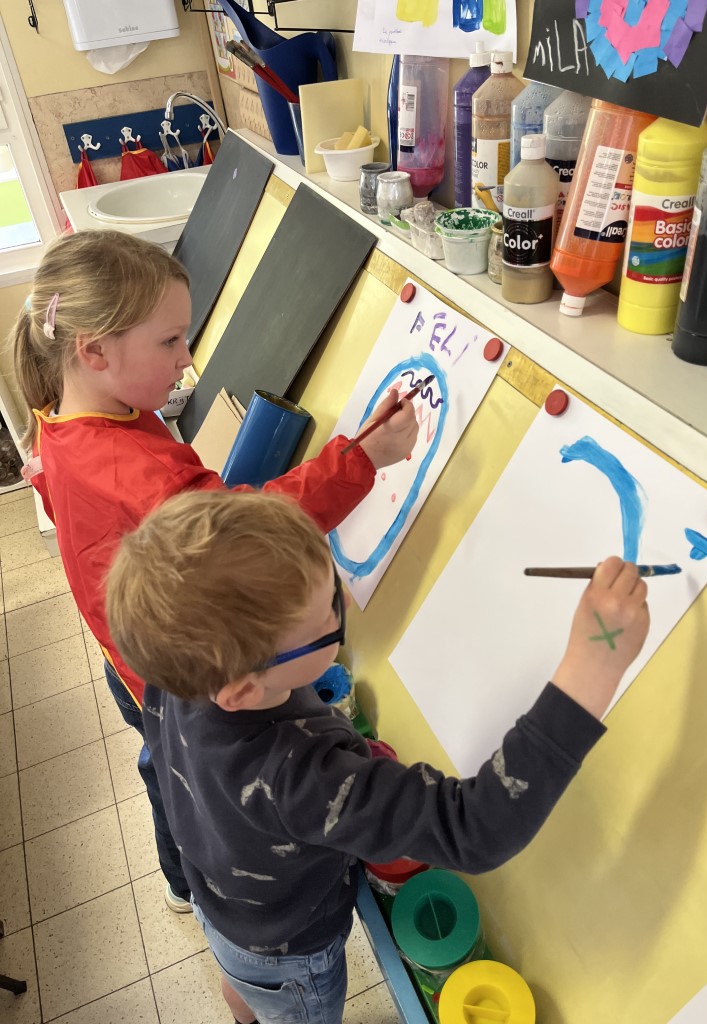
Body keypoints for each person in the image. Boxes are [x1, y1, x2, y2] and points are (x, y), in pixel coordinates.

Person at [105, 487, 650, 1024]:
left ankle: (245, 1008)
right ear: (245, 688)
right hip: (291, 953)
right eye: (328, 614)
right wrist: (593, 665)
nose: (343, 600)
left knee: (242, 985)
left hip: (219, 905)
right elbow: (474, 829)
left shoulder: (176, 678)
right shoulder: (303, 777)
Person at [10, 230, 418, 914]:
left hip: (127, 655)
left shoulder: (65, 414)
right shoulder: (139, 468)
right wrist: (364, 459)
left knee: (163, 766)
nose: (187, 358)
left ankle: (180, 879)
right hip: (173, 678)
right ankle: (194, 884)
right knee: (185, 778)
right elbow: (252, 533)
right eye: (170, 341)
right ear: (94, 350)